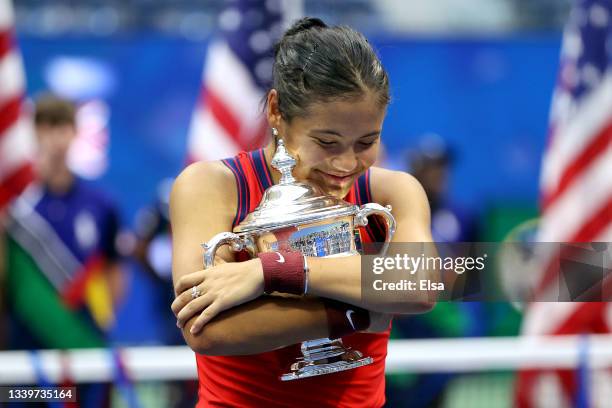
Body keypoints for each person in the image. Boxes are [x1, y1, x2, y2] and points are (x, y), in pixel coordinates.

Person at [170, 17, 436, 407]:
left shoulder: (392, 189)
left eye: (366, 141)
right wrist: (361, 310)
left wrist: (270, 271)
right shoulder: (211, 185)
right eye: (327, 141)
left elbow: (421, 282)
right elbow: (205, 328)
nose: (346, 163)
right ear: (276, 111)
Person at [3, 94, 123, 406]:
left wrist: (103, 317)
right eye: (44, 127)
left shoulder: (101, 205)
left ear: (74, 132)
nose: (54, 137)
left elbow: (113, 267)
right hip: (23, 354)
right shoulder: (13, 206)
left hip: (83, 348)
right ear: (32, 133)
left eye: (61, 126)